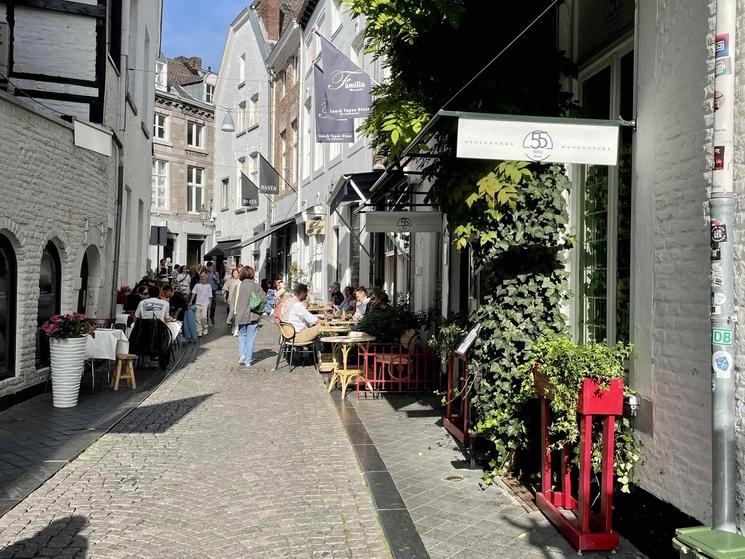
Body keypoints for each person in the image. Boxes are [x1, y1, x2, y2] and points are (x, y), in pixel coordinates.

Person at [233, 266, 266, 367]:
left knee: (242, 335)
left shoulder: (238, 287)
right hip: (253, 315)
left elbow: (233, 301)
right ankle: (248, 360)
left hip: (241, 315)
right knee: (250, 338)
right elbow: (264, 300)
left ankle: (242, 354)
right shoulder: (256, 286)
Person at [222, 268, 241, 336]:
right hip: (231, 300)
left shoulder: (241, 281)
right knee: (233, 315)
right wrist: (224, 297)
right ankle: (233, 327)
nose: (235, 274)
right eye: (234, 273)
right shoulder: (229, 281)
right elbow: (224, 289)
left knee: (238, 315)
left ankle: (236, 328)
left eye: (237, 273)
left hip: (239, 300)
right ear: (232, 274)